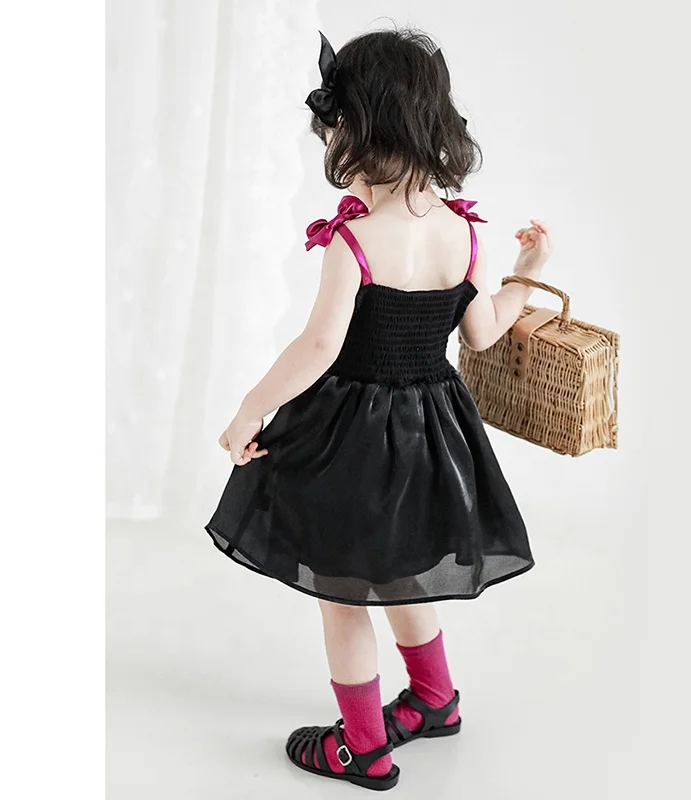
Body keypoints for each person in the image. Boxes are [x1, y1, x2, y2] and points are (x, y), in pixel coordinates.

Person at [206, 27, 553, 792]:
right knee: (403, 574)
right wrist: (528, 275)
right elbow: (483, 332)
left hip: (357, 442)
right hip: (433, 441)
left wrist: (249, 410)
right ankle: (433, 699)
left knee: (341, 596)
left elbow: (318, 347)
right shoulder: (464, 233)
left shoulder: (355, 241)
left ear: (360, 131)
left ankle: (362, 748)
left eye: (334, 127)